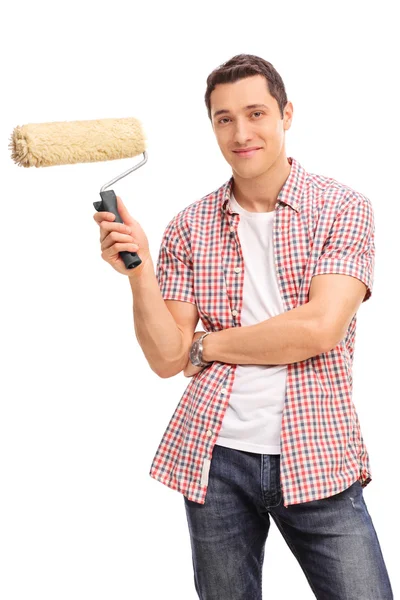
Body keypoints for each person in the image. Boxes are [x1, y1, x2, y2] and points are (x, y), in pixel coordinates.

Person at [93, 54, 394, 599]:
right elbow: (167, 359)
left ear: (286, 115)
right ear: (212, 127)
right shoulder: (189, 225)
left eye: (256, 113)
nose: (241, 131)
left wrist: (205, 346)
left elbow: (320, 327)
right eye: (224, 118)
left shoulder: (343, 208)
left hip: (319, 451)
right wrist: (139, 272)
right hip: (217, 456)